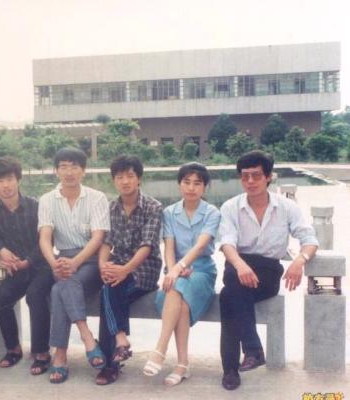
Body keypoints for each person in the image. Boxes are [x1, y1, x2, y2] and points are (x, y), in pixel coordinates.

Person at [218, 150, 318, 390]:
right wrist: (240, 264)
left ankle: (235, 366)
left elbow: (310, 239)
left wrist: (299, 260)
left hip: (268, 271)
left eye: (256, 175)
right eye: (245, 176)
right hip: (238, 265)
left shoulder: (286, 207)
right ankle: (248, 353)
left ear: (269, 177)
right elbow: (226, 242)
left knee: (229, 295)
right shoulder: (231, 206)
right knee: (232, 286)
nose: (250, 181)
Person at [143, 162, 221, 386]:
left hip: (202, 269)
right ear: (179, 185)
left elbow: (200, 246)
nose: (191, 188)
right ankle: (182, 364)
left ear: (205, 187)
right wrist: (172, 270)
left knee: (176, 289)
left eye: (197, 183)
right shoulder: (169, 212)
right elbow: (168, 246)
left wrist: (179, 268)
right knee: (181, 302)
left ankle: (160, 349)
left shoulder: (212, 212)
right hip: (176, 269)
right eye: (186, 182)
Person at [38, 147, 110, 384]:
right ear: (56, 171)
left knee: (59, 288)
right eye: (64, 167)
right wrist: (55, 264)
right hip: (62, 260)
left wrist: (75, 262)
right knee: (61, 284)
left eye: (74, 166)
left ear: (83, 171)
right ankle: (87, 336)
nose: (69, 172)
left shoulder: (97, 198)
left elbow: (98, 238)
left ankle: (60, 355)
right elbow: (45, 238)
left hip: (91, 260)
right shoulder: (47, 200)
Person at [96, 155, 163, 385]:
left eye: (130, 176)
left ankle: (111, 362)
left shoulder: (153, 207)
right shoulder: (111, 207)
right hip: (119, 265)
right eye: (119, 177)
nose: (125, 181)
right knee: (109, 287)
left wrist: (124, 270)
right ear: (114, 180)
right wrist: (103, 265)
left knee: (108, 291)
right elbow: (106, 242)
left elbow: (147, 245)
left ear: (139, 179)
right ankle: (119, 344)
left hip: (145, 268)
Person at [0, 157, 55, 374]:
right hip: (14, 269)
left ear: (18, 180)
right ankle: (13, 349)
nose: (6, 185)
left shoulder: (36, 206)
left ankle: (41, 352)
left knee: (35, 296)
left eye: (10, 179)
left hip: (41, 266)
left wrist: (28, 261)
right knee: (0, 300)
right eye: (0, 181)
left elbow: (46, 240)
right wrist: (1, 250)